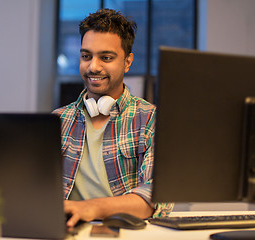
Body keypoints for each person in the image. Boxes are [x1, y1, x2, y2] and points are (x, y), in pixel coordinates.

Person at [53, 9, 173, 228]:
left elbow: (156, 197)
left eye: (106, 57)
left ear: (127, 62)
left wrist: (91, 208)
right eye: (86, 56)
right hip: (69, 229)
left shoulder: (151, 120)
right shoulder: (57, 120)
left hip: (127, 231)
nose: (93, 67)